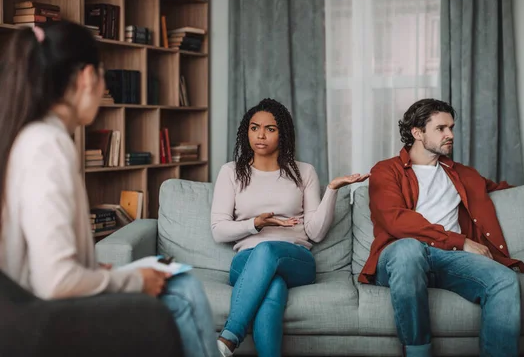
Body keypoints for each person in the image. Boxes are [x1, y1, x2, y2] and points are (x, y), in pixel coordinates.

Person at [0, 21, 219, 357]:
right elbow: (55, 281)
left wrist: (93, 272)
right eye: (104, 76)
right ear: (87, 77)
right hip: (46, 319)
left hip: (34, 310)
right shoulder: (47, 147)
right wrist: (135, 281)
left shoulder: (30, 137)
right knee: (185, 288)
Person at [359, 98, 524, 357]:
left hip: (450, 259)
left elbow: (508, 191)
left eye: (452, 127)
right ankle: (418, 352)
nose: (450, 135)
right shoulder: (386, 171)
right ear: (417, 132)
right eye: (441, 128)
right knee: (408, 250)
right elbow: (395, 219)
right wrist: (460, 241)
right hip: (401, 258)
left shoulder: (462, 174)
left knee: (503, 279)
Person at [211, 98, 369, 357]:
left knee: (268, 250)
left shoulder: (303, 172)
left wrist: (331, 190)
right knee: (272, 287)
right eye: (254, 127)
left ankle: (229, 337)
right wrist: (255, 224)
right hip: (246, 261)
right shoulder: (231, 172)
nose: (260, 135)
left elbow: (316, 233)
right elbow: (218, 230)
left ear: (282, 133)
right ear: (246, 131)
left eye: (270, 129)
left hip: (297, 260)